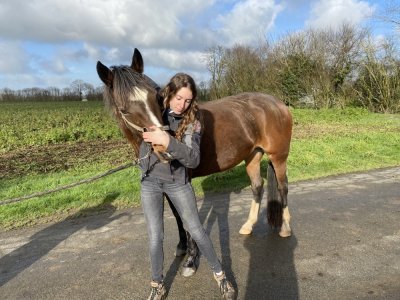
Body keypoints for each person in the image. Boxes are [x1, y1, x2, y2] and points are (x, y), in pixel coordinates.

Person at [139, 73, 237, 300]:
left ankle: (221, 276)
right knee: (155, 236)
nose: (182, 105)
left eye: (188, 100)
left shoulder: (193, 122)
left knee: (197, 231)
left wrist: (167, 141)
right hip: (150, 181)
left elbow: (193, 160)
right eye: (178, 98)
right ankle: (157, 284)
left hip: (177, 182)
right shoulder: (154, 112)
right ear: (169, 93)